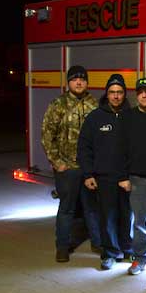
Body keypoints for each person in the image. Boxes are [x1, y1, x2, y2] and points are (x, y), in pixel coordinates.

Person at [41, 65, 101, 263]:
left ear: (86, 82)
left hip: (89, 168)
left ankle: (98, 243)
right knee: (67, 209)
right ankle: (63, 247)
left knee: (91, 207)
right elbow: (47, 135)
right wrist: (57, 162)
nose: (79, 82)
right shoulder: (58, 104)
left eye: (82, 79)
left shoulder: (94, 104)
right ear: (68, 82)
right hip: (67, 168)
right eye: (75, 79)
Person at [78, 74, 133, 270]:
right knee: (107, 216)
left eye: (119, 92)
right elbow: (84, 148)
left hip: (128, 178)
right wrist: (88, 174)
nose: (116, 96)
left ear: (124, 94)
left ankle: (128, 249)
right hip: (104, 177)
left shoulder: (132, 116)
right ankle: (109, 253)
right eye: (112, 92)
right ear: (106, 94)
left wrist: (130, 175)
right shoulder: (95, 118)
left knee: (128, 216)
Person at [117, 77, 146, 276]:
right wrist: (123, 176)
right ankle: (139, 258)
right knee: (139, 221)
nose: (143, 95)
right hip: (136, 179)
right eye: (140, 92)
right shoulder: (128, 117)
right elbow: (120, 148)